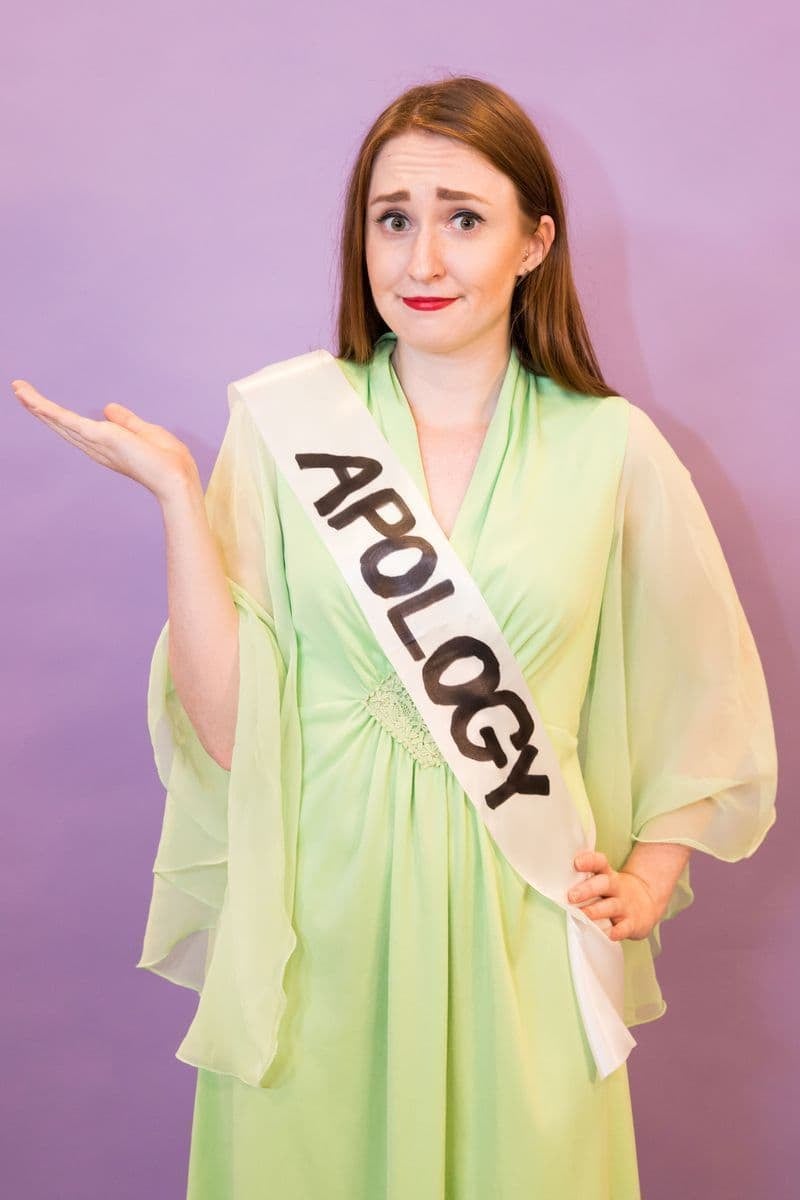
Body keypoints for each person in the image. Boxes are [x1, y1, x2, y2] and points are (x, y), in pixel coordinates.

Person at [12, 75, 777, 1199]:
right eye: (392, 219)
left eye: (463, 218)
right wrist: (182, 497)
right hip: (322, 927)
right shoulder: (284, 429)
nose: (420, 260)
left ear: (533, 241)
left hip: (521, 931)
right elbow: (230, 737)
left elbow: (704, 686)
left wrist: (653, 873)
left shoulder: (611, 449)